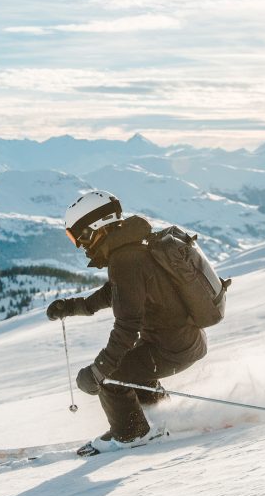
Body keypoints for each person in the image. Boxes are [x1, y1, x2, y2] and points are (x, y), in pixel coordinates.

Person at [47, 190, 207, 455]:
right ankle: (158, 417)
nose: (81, 245)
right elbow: (118, 293)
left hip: (171, 347)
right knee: (132, 368)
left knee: (114, 376)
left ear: (95, 228)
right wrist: (74, 306)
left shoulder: (126, 259)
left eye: (79, 237)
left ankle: (131, 433)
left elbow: (126, 327)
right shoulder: (135, 249)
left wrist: (99, 372)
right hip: (182, 341)